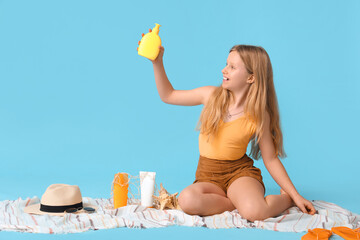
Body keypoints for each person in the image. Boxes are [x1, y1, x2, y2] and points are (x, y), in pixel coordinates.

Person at [150, 44, 316, 221]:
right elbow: (168, 95)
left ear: (251, 77)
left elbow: (270, 159)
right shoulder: (210, 95)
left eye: (232, 67)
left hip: (240, 174)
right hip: (208, 175)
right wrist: (157, 63)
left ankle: (286, 199)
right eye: (226, 64)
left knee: (255, 212)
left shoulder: (259, 116)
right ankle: (237, 203)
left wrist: (296, 196)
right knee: (187, 200)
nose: (224, 70)